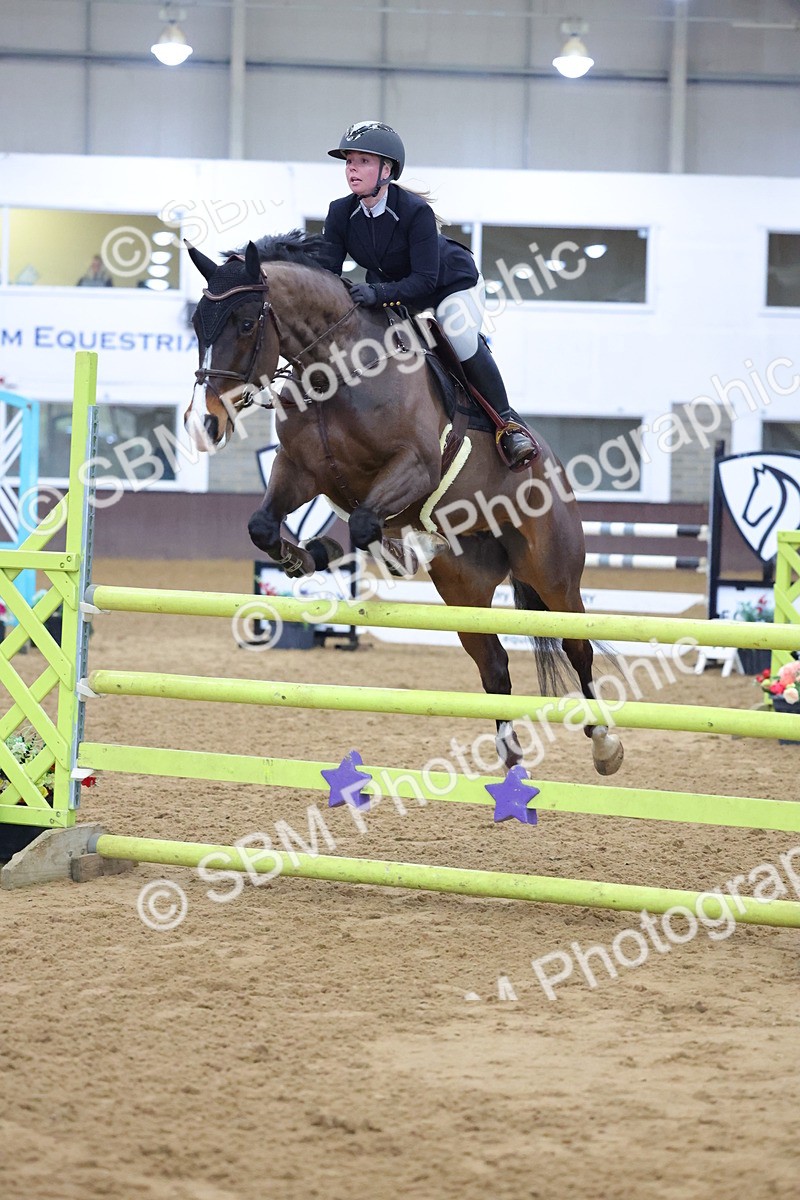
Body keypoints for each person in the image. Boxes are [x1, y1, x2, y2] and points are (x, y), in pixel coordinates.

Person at [321, 121, 533, 468]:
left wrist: (376, 292)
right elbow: (327, 272)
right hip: (397, 293)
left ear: (386, 170)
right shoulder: (340, 212)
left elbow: (423, 280)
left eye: (363, 161)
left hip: (450, 285)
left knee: (458, 338)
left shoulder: (414, 211)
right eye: (349, 161)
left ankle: (508, 426)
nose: (352, 169)